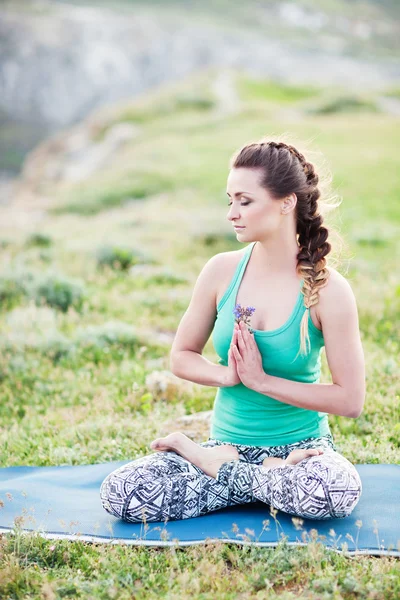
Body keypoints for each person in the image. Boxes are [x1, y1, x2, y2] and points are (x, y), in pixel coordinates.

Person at [100, 138, 365, 524]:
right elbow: (181, 355)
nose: (232, 213)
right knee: (122, 493)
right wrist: (227, 375)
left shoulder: (329, 290)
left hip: (301, 455)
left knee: (334, 492)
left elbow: (350, 400)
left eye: (245, 200)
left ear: (286, 202)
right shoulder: (220, 271)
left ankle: (228, 473)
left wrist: (262, 382)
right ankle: (258, 478)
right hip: (228, 446)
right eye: (230, 200)